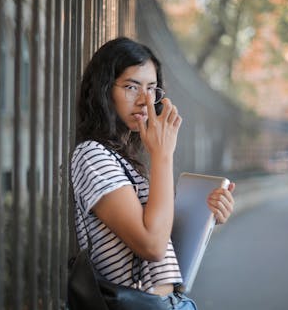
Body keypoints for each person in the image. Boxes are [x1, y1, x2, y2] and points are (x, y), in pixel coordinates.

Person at [70, 37, 235, 309]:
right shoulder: (92, 155)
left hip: (169, 301)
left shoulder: (124, 159)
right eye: (131, 87)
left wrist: (206, 217)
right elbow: (152, 245)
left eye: (151, 89)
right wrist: (162, 155)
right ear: (103, 90)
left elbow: (161, 240)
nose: (145, 101)